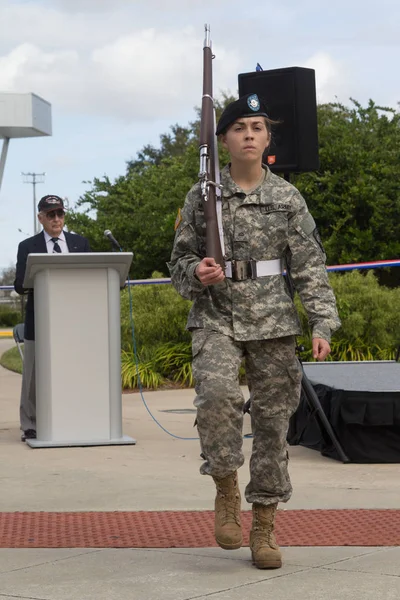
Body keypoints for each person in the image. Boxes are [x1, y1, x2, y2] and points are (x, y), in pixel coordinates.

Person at [168, 93, 341, 569]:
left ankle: (263, 524)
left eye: (257, 127)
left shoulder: (286, 197)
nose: (249, 133)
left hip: (272, 321)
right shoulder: (201, 195)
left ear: (267, 139)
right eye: (239, 126)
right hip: (216, 316)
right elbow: (178, 260)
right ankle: (226, 487)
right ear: (223, 139)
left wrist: (321, 320)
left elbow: (308, 264)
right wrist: (195, 273)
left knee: (272, 423)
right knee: (218, 398)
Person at [14, 195, 91, 442]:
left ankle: (74, 417)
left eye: (60, 214)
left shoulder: (80, 243)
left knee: (73, 370)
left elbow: (90, 277)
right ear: (40, 218)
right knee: (33, 376)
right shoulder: (27, 246)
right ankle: (30, 425)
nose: (56, 219)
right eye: (50, 215)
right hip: (40, 320)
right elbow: (18, 285)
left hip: (72, 321)